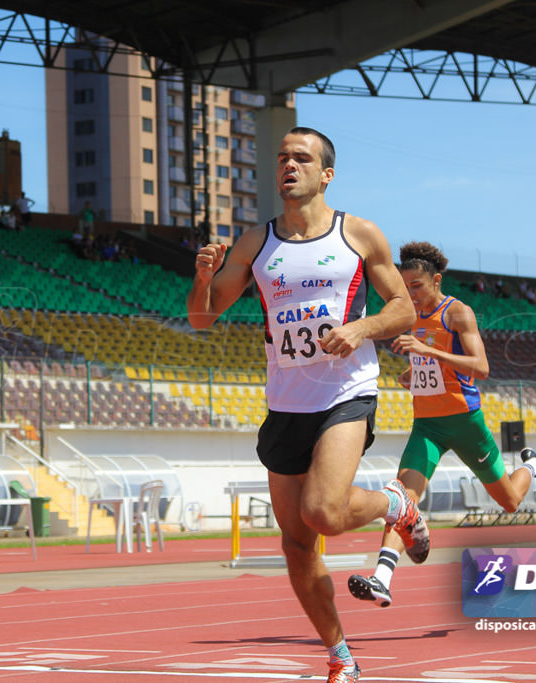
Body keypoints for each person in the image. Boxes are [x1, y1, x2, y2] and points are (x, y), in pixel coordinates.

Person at [186, 126, 423, 683]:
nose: (288, 165)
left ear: (326, 174)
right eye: (282, 156)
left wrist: (361, 327)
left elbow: (404, 310)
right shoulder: (254, 244)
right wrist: (202, 278)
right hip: (286, 402)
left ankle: (396, 505)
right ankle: (340, 655)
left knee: (323, 511)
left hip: (347, 392)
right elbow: (201, 318)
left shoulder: (358, 235)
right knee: (297, 545)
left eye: (301, 158)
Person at [347, 241, 536, 609]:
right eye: (405, 287)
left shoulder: (458, 312)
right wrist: (412, 375)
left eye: (416, 287)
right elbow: (431, 370)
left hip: (465, 422)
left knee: (508, 501)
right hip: (426, 425)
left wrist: (428, 352)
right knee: (402, 500)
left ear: (436, 280)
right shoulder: (409, 318)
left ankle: (533, 465)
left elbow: (482, 368)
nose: (410, 294)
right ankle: (382, 577)